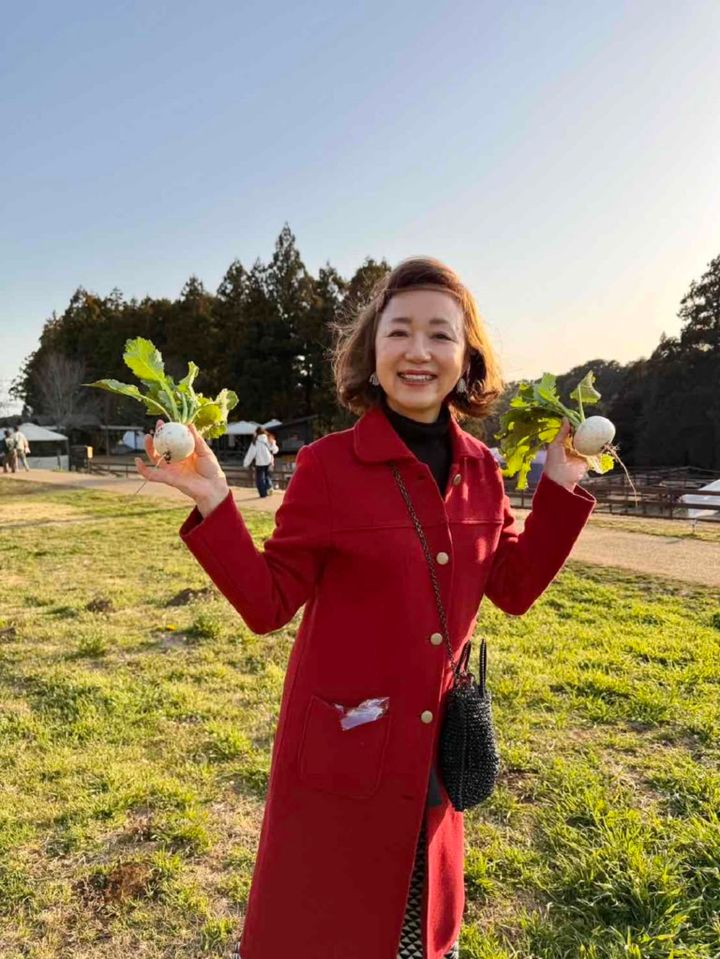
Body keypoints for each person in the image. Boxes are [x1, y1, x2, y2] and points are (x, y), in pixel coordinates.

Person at [135, 256, 595, 959]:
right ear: (371, 351)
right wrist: (213, 500)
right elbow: (268, 602)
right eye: (399, 331)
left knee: (416, 931)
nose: (418, 351)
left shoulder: (483, 473)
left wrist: (561, 486)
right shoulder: (327, 466)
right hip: (340, 759)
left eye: (440, 335)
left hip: (434, 756)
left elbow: (514, 586)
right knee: (325, 927)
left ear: (467, 356)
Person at [243, 427, 275, 498]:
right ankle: (269, 487)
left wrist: (246, 463)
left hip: (260, 462)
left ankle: (263, 494)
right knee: (267, 476)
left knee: (260, 479)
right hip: (269, 461)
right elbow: (275, 449)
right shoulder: (268, 439)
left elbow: (250, 454)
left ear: (256, 433)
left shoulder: (256, 441)